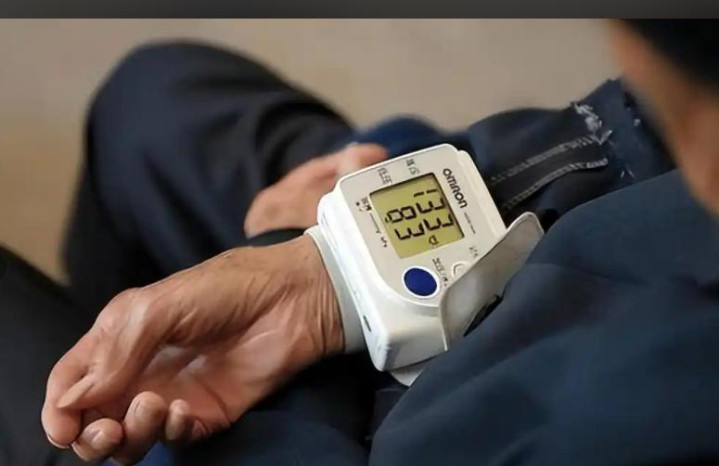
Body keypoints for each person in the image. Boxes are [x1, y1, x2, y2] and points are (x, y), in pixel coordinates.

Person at [1, 19, 718, 465]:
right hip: (473, 246)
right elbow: (619, 135)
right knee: (150, 96)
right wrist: (326, 270)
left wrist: (290, 248)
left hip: (343, 419)